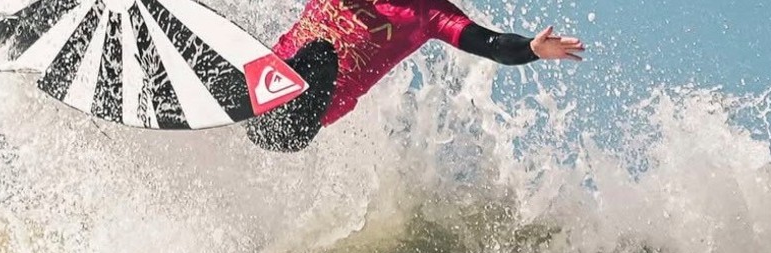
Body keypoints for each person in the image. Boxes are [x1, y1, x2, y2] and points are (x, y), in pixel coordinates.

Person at [246, 0, 586, 152]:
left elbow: (492, 44)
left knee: (321, 53)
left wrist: (531, 48)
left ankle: (267, 89)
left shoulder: (426, 13)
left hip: (294, 124)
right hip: (253, 93)